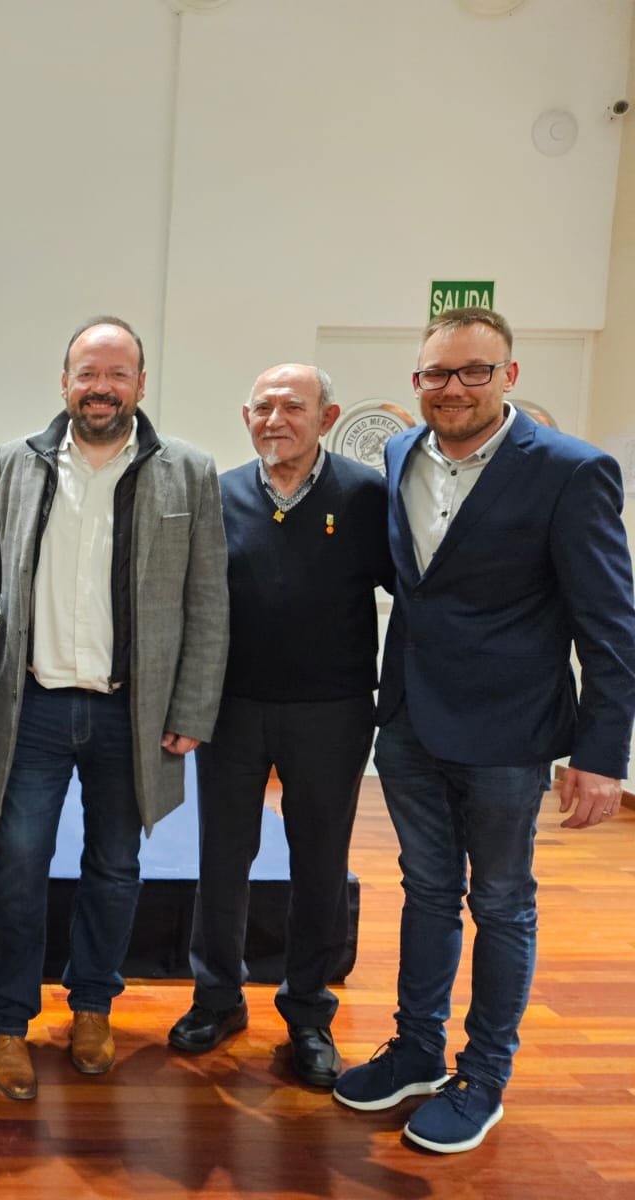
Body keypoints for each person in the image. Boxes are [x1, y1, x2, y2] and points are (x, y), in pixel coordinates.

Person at [331, 307, 635, 1152]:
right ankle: (418, 1050)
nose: (451, 388)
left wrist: (602, 755)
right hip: (411, 724)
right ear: (417, 382)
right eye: (435, 373)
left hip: (509, 733)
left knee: (501, 902)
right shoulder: (398, 454)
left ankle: (484, 1075)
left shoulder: (572, 472)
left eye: (471, 372)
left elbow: (610, 623)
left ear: (508, 376)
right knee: (425, 890)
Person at [0, 315, 229, 1101]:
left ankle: (91, 1008)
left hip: (134, 713)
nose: (102, 387)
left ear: (141, 385)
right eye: (88, 372)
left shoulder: (187, 471)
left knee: (115, 868)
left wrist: (192, 704)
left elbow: (208, 600)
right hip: (35, 709)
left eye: (118, 373)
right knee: (16, 869)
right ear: (65, 381)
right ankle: (9, 1024)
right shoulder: (15, 463)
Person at [168, 363, 390, 1088]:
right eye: (262, 408)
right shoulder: (219, 493)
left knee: (320, 864)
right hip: (233, 708)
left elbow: (416, 593)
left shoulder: (365, 495)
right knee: (223, 859)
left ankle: (308, 1014)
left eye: (292, 407)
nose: (274, 420)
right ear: (245, 417)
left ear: (327, 418)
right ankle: (218, 998)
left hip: (333, 711)